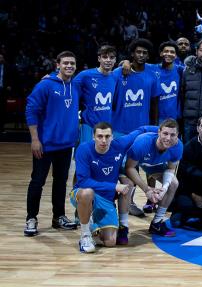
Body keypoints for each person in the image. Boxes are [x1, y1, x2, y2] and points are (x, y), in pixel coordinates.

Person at [71, 123, 158, 251]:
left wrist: (161, 131)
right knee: (87, 193)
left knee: (110, 242)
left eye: (107, 136)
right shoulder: (84, 149)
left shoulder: (119, 145)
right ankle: (85, 235)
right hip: (83, 194)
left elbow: (141, 129)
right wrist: (114, 186)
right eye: (100, 136)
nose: (104, 140)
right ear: (93, 136)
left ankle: (94, 223)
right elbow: (83, 182)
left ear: (112, 136)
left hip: (106, 199)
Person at [24, 51, 80, 236]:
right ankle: (31, 218)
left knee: (60, 182)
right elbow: (31, 110)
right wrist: (35, 140)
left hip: (65, 145)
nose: (69, 66)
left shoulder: (76, 85)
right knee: (37, 181)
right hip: (45, 145)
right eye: (65, 63)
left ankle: (59, 217)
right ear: (57, 64)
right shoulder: (45, 85)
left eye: (72, 63)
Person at [124, 118, 184, 237]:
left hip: (153, 164)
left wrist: (164, 189)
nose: (168, 138)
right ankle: (122, 226)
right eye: (165, 134)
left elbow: (171, 168)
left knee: (173, 183)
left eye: (172, 135)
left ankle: (157, 223)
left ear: (177, 135)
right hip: (130, 160)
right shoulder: (143, 142)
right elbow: (129, 168)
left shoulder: (178, 147)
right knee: (128, 185)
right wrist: (147, 189)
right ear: (159, 132)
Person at [111, 39, 159, 137]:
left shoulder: (153, 76)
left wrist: (154, 126)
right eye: (138, 52)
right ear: (132, 54)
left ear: (148, 56)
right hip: (118, 128)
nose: (141, 55)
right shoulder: (118, 73)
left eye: (144, 53)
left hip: (142, 129)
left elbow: (154, 104)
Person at [72, 45, 117, 144]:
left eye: (112, 57)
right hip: (89, 125)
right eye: (105, 57)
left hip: (107, 127)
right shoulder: (85, 75)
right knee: (86, 155)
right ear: (99, 58)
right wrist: (53, 76)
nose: (108, 60)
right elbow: (68, 86)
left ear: (115, 60)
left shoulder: (115, 76)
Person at [156, 41, 184, 124]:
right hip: (157, 117)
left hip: (174, 117)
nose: (169, 54)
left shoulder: (180, 70)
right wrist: (126, 62)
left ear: (175, 56)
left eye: (172, 52)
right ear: (161, 53)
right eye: (166, 51)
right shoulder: (152, 69)